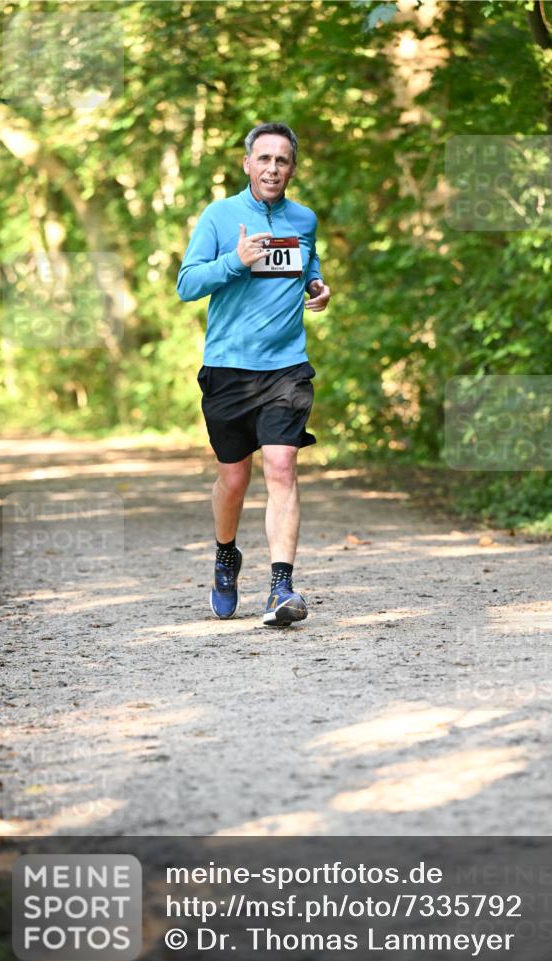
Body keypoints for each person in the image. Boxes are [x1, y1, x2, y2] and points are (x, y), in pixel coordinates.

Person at [176, 122, 331, 627]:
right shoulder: (220, 216)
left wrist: (317, 285)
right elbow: (186, 283)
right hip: (228, 369)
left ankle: (281, 588)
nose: (272, 168)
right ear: (247, 164)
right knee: (234, 477)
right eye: (263, 159)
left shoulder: (303, 219)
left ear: (292, 168)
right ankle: (226, 557)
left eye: (282, 160)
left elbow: (309, 265)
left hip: (286, 368)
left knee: (282, 467)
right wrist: (235, 261)